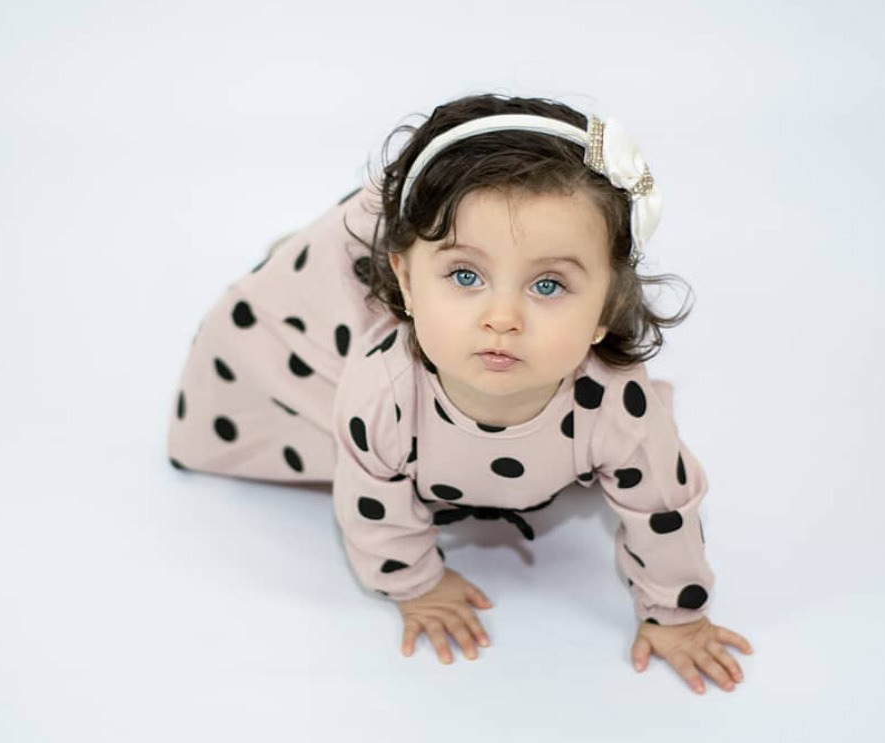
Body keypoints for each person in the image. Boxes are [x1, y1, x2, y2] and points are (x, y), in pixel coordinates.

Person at [167, 93, 753, 693]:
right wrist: (416, 586)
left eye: (548, 285)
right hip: (319, 349)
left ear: (608, 308)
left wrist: (675, 617)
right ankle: (311, 259)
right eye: (465, 275)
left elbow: (663, 510)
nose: (502, 318)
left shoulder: (618, 404)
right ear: (406, 282)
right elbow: (372, 506)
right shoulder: (383, 390)